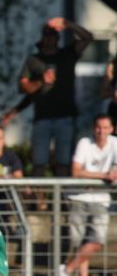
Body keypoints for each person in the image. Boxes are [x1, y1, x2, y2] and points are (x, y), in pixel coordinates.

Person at [18, 18, 92, 177]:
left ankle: (62, 201)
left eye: (53, 35)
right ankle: (38, 203)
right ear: (42, 37)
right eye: (47, 35)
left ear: (58, 37)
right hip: (42, 118)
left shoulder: (68, 54)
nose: (50, 38)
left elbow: (88, 37)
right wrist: (40, 81)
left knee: (63, 163)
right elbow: (22, 87)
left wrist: (68, 24)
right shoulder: (33, 60)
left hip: (65, 117)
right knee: (38, 164)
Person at [58, 114, 117, 276]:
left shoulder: (115, 144)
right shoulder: (85, 142)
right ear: (94, 128)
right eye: (99, 127)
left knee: (96, 241)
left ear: (112, 129)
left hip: (100, 199)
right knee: (79, 243)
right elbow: (76, 171)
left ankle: (66, 271)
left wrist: (100, 175)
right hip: (78, 197)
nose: (101, 131)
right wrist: (103, 176)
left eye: (106, 127)